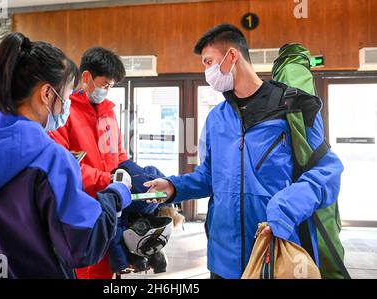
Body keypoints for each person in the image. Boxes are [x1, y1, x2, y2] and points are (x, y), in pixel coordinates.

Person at [144, 24, 344, 279]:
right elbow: (208, 176)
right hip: (222, 258)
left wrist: (287, 206)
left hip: (275, 251)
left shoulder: (292, 107)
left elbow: (327, 171)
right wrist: (174, 186)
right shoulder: (217, 118)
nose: (207, 72)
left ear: (231, 56)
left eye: (209, 62)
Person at [0, 32, 131, 279]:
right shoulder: (50, 159)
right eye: (67, 94)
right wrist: (114, 196)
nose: (68, 104)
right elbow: (83, 245)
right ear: (47, 94)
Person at [48, 47, 129, 279]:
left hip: (110, 207)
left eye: (111, 86)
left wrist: (131, 175)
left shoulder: (109, 114)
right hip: (80, 213)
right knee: (84, 270)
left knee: (105, 270)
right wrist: (108, 180)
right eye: (105, 84)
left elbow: (119, 155)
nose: (107, 90)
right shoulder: (63, 114)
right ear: (86, 77)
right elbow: (65, 167)